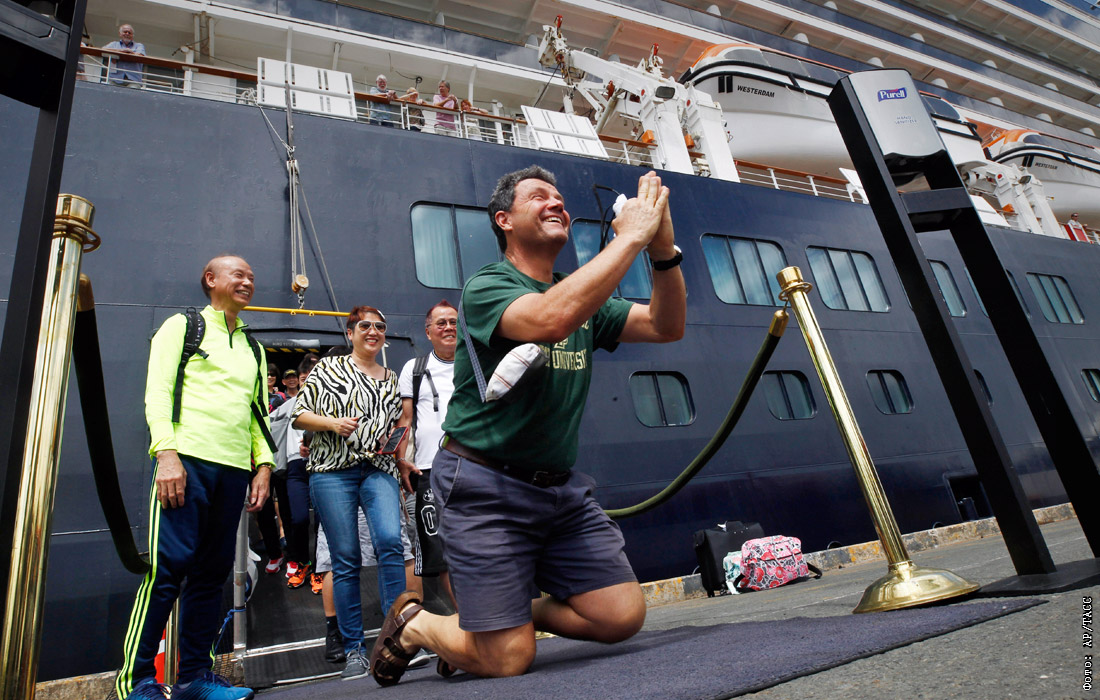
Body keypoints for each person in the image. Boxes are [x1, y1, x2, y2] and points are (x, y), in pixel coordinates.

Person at [368, 166, 685, 686]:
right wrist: (630, 238)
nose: (557, 203)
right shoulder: (488, 286)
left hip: (558, 490)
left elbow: (666, 326)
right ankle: (417, 624)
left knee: (621, 616)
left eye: (560, 198)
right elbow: (548, 319)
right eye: (539, 197)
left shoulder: (581, 296)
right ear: (504, 220)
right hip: (485, 485)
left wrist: (663, 250)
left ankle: (499, 621)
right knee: (508, 659)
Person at [115, 255, 274, 700]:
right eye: (238, 274)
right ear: (211, 279)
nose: (248, 282)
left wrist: (264, 466)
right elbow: (157, 392)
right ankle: (135, 683)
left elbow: (258, 414)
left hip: (234, 471)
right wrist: (166, 454)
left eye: (252, 277)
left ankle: (194, 680)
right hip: (186, 463)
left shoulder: (254, 349)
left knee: (211, 575)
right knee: (166, 571)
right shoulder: (183, 327)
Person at [292, 307, 410, 681]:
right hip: (332, 472)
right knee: (345, 559)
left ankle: (397, 640)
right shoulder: (328, 368)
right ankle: (354, 650)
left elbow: (397, 426)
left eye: (380, 326)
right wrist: (332, 424)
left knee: (391, 542)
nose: (373, 331)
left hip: (378, 469)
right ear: (350, 332)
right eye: (365, 325)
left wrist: (397, 451)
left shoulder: (392, 378)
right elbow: (298, 416)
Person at [397, 301, 458, 605]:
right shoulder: (414, 368)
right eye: (441, 323)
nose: (448, 328)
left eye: (454, 322)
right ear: (428, 332)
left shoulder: (476, 365)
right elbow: (405, 421)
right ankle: (466, 620)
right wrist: (400, 460)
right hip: (430, 470)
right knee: (440, 552)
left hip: (475, 469)